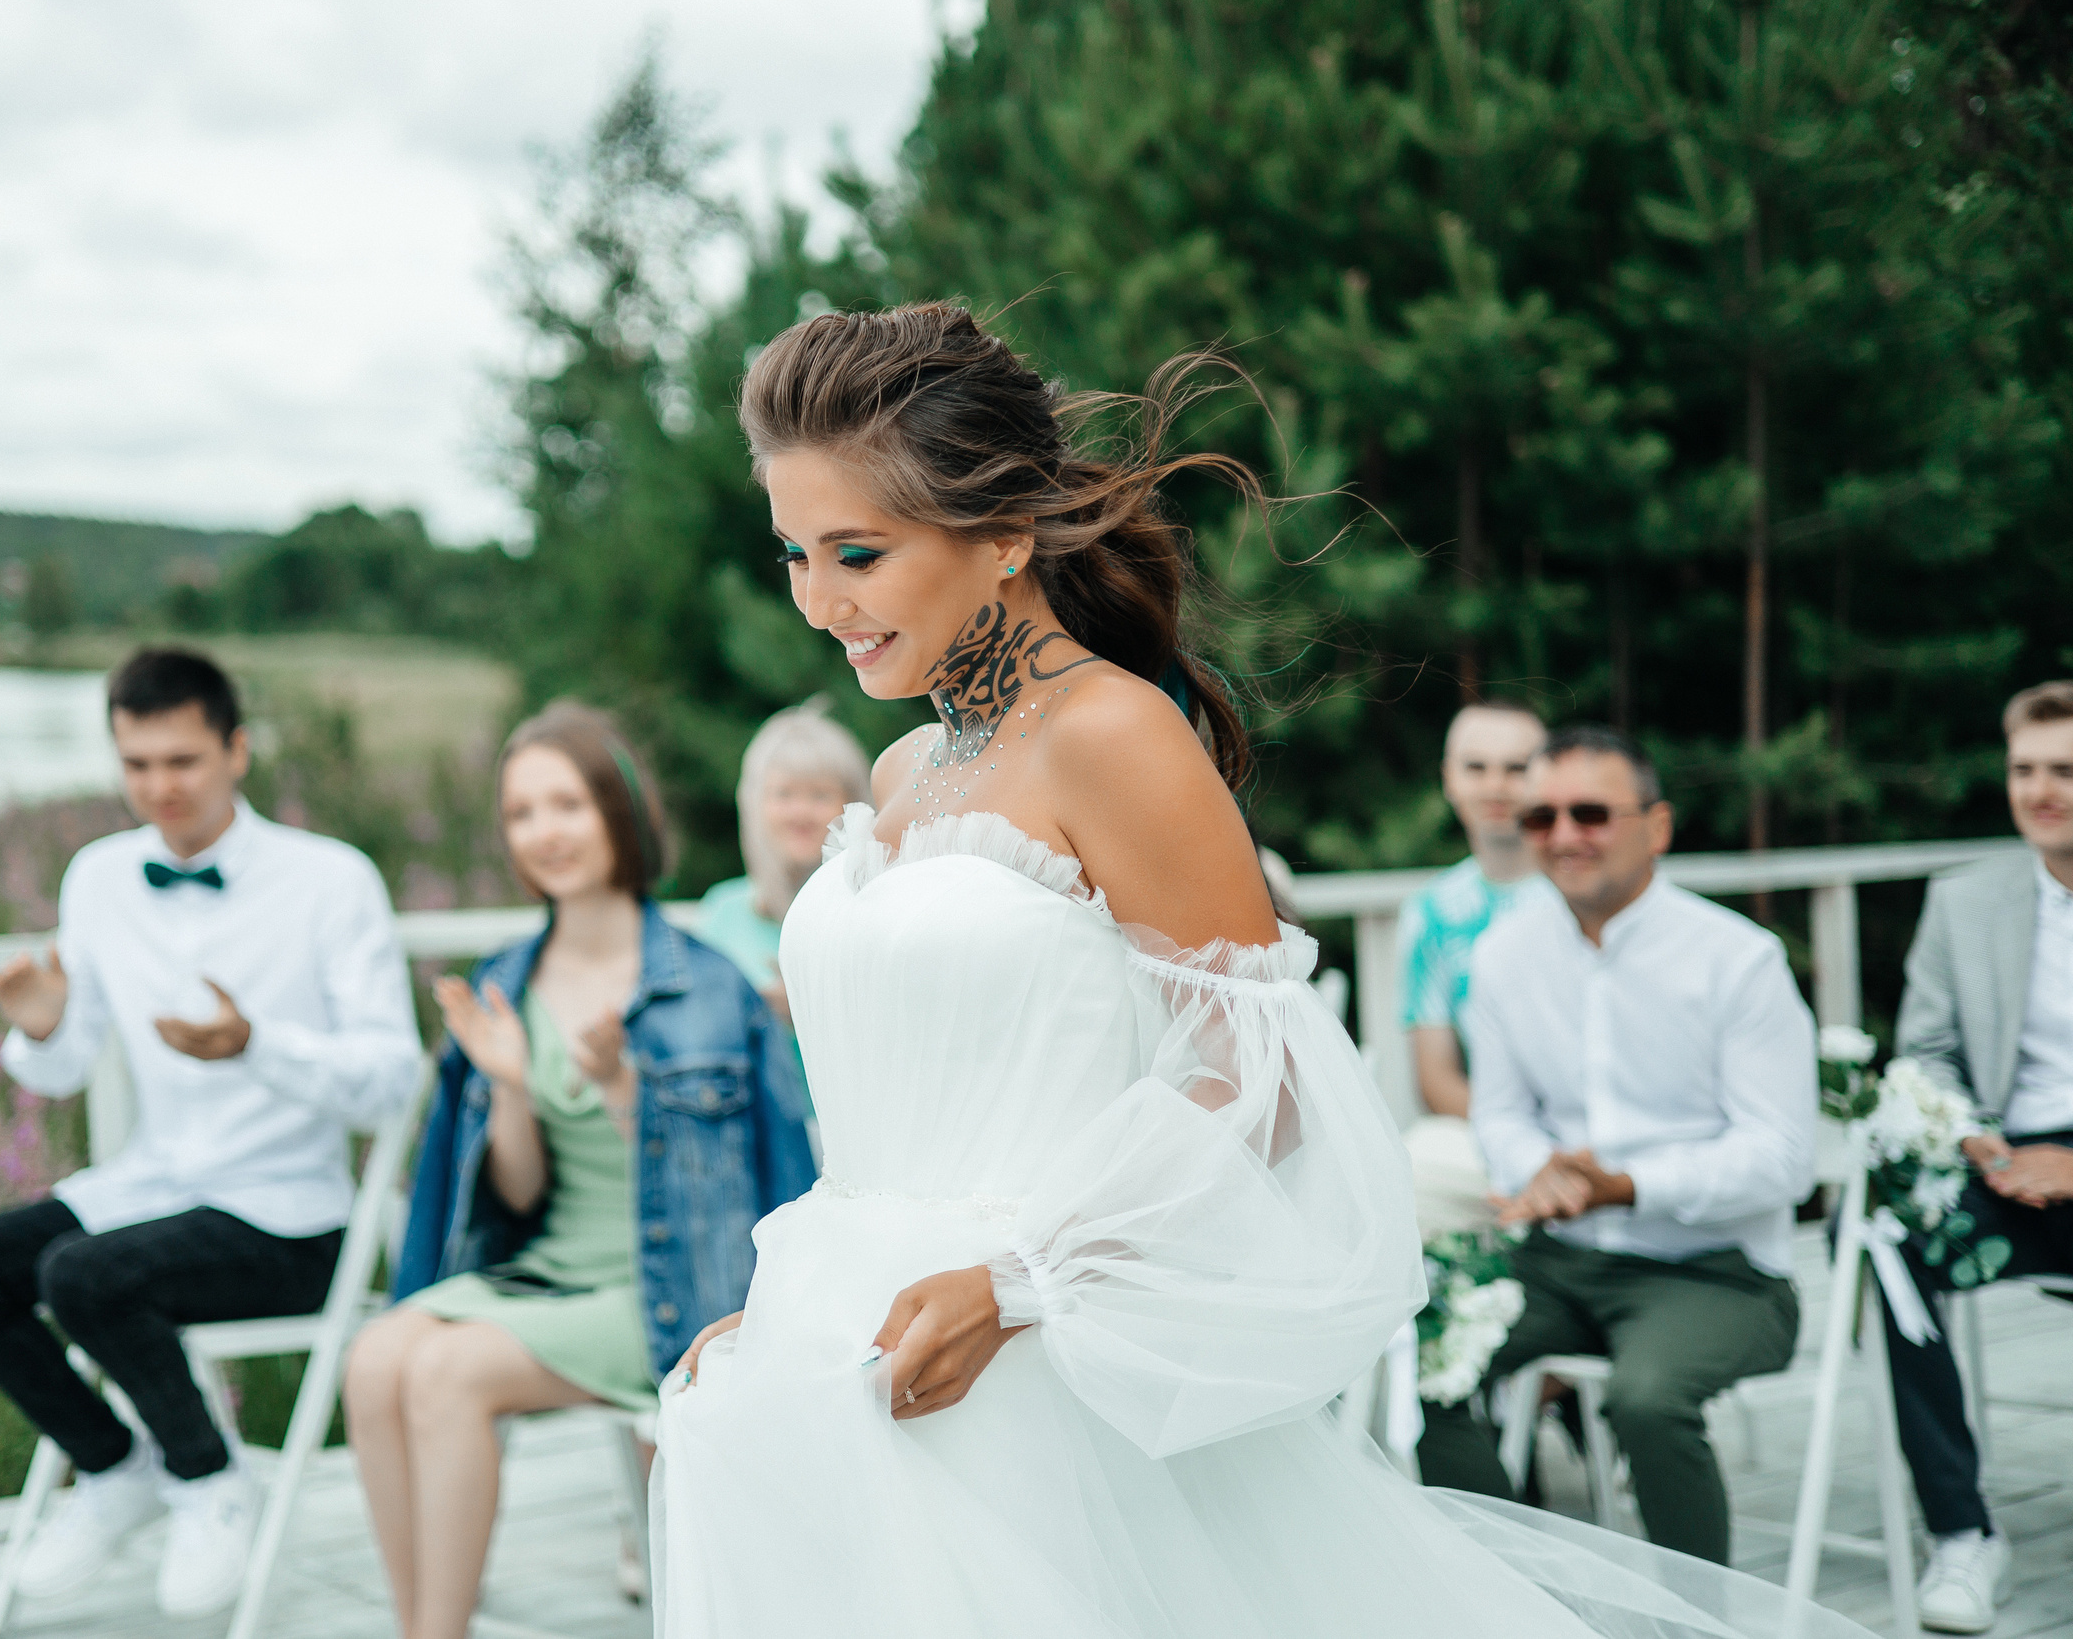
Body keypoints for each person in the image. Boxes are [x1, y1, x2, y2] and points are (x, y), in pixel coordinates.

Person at [651, 303, 1869, 1639]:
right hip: (848, 1333)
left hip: (1032, 1361)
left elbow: (1258, 1082)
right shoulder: (898, 769)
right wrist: (782, 1319)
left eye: (858, 553)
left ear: (1002, 536)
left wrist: (1017, 1283)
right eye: (793, 554)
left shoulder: (1113, 733)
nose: (819, 603)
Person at [0, 648, 423, 1619]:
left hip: (291, 1218)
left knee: (83, 1272)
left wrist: (254, 1045)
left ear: (237, 750)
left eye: (181, 761)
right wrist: (41, 1023)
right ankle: (118, 1466)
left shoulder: (331, 881)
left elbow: (391, 1077)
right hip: (150, 1188)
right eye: (136, 764)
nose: (158, 787)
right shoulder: (98, 878)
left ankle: (209, 1477)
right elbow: (63, 1070)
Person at [342, 701, 813, 1639]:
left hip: (671, 1291)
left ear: (618, 812)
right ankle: (421, 1626)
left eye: (566, 804)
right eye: (521, 812)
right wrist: (511, 1087)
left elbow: (780, 1171)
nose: (544, 831)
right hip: (551, 1271)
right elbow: (514, 1195)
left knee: (445, 1370)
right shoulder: (505, 981)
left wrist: (619, 1088)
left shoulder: (710, 985)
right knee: (374, 1357)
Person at [1414, 725, 1816, 1563]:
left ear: (1657, 827)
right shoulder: (1502, 957)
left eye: (1591, 812)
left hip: (1718, 1270)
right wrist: (1542, 1172)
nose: (1563, 836)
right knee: (1425, 1356)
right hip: (1561, 1258)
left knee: (1645, 1397)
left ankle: (1698, 1622)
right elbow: (1501, 1115)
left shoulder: (1738, 960)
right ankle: (1515, 1599)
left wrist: (1624, 1184)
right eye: (1541, 817)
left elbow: (1781, 1158)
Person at [1874, 680, 2073, 1633]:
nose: (2042, 790)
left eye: (2066, 770)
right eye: (2025, 769)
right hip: (2004, 1157)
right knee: (1889, 1237)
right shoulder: (1966, 900)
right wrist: (1971, 1136)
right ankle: (1962, 1529)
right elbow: (1925, 1052)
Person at [1400, 700, 1548, 1235]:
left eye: (1517, 767)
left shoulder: (1584, 893)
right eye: (1476, 767)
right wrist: (1519, 1140)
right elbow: (1436, 1080)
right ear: (1449, 780)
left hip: (1603, 1135)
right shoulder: (1432, 912)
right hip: (1490, 1134)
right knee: (1407, 1169)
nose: (1496, 786)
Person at [693, 700, 872, 1074]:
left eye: (819, 795)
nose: (799, 813)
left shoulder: (873, 908)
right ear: (755, 804)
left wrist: (810, 1011)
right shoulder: (723, 909)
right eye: (783, 794)